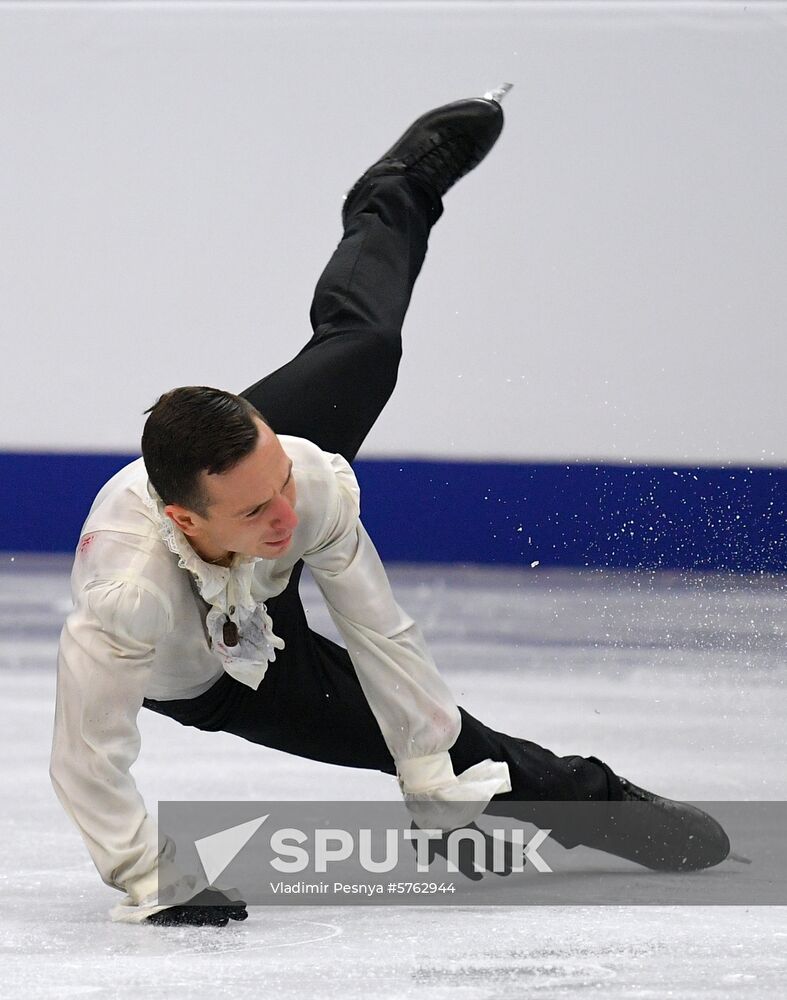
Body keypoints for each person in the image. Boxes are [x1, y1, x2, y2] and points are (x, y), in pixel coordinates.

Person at [50, 87, 732, 927]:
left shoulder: (301, 478)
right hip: (222, 674)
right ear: (186, 519)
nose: (286, 518)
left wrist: (426, 769)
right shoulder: (130, 596)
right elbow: (86, 757)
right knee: (471, 755)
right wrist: (149, 878)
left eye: (284, 487)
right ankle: (596, 799)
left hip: (237, 498)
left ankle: (396, 188)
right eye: (261, 509)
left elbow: (380, 630)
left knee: (364, 348)